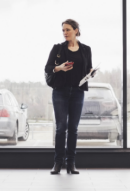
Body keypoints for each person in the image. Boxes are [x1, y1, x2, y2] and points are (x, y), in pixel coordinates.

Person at [44, 19, 93, 175]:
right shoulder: (58, 48)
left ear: (76, 30)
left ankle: (71, 163)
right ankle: (58, 163)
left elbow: (88, 68)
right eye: (63, 30)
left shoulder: (86, 49)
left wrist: (91, 73)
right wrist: (60, 68)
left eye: (68, 30)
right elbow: (48, 68)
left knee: (73, 128)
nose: (65, 33)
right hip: (60, 91)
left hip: (77, 92)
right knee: (61, 128)